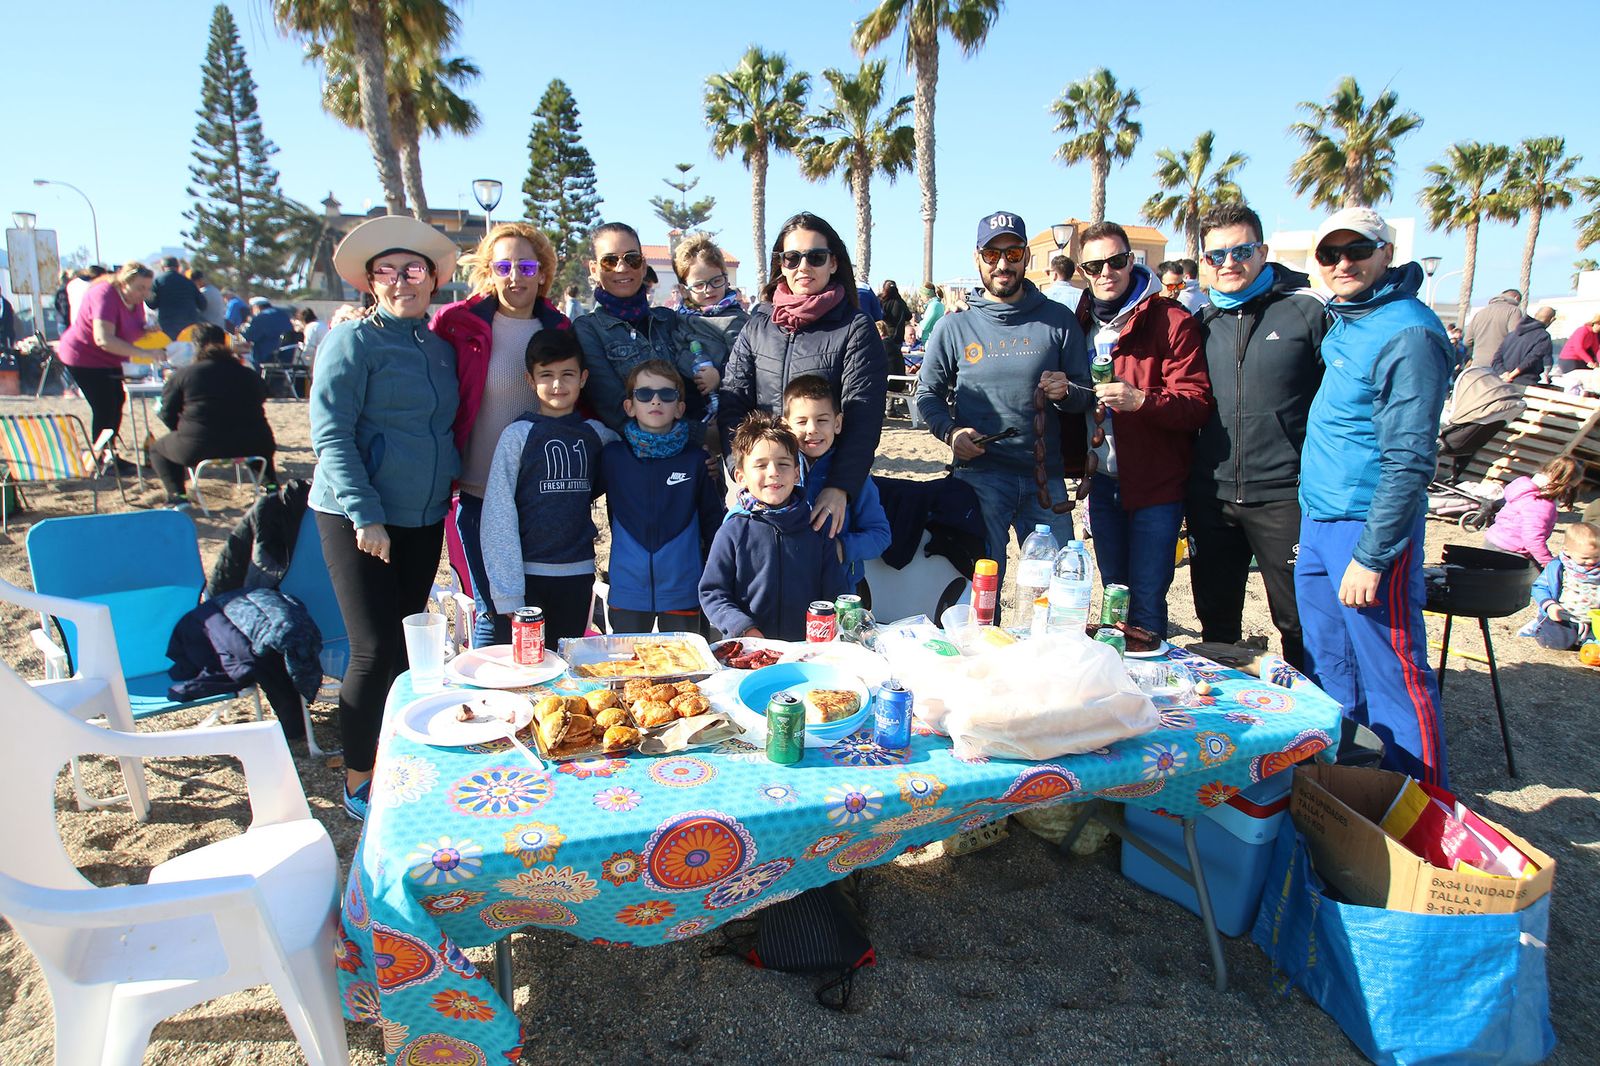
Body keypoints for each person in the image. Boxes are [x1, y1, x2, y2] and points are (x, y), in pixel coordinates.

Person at [309, 214, 461, 821]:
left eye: (414, 269)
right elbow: (331, 434)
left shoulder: (439, 347)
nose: (402, 281)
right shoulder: (351, 341)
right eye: (387, 272)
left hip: (422, 516)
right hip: (357, 517)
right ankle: (358, 781)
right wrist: (365, 515)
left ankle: (396, 758)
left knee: (405, 646)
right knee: (371, 650)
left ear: (432, 280)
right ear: (370, 282)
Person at [1297, 206, 1453, 788]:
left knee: (1392, 671)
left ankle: (1422, 806)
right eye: (1330, 254)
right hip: (1320, 520)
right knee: (1329, 661)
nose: (1343, 263)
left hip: (1366, 524)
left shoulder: (1408, 333)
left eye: (1357, 250)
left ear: (1386, 252)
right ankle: (1351, 794)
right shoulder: (1350, 318)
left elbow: (1409, 458)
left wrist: (1372, 554)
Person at [914, 209, 1092, 590]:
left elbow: (1084, 395)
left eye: (1012, 254)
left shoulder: (1059, 320)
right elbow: (926, 392)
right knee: (977, 591)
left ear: (1027, 257)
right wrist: (951, 432)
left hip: (1045, 479)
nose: (1002, 265)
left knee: (1053, 594)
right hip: (980, 478)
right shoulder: (954, 326)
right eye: (992, 255)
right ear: (977, 258)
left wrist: (1067, 392)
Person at [1188, 202, 1325, 670]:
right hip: (1212, 496)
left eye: (1241, 250)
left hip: (1285, 495)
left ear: (1263, 251)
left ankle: (1313, 731)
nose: (1229, 264)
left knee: (1298, 620)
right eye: (1216, 256)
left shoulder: (1305, 312)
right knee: (1216, 621)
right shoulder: (1201, 323)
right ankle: (1228, 728)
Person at [433, 220, 571, 647]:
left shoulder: (559, 330)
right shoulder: (455, 323)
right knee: (494, 607)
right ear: (489, 271)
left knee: (538, 606)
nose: (515, 277)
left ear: (543, 273)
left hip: (540, 496)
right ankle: (496, 704)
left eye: (527, 267)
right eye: (504, 266)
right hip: (476, 493)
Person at [1077, 221, 1214, 637]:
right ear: (1083, 270)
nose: (1106, 272)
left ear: (1131, 261)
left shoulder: (1171, 319)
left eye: (1116, 261)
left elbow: (1197, 404)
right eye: (1094, 265)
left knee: (1148, 603)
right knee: (1114, 598)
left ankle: (1152, 696)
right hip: (1102, 484)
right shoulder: (1079, 320)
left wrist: (1141, 400)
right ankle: (1121, 693)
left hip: (1156, 487)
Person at [718, 211, 887, 545]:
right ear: (780, 264)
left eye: (816, 257)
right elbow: (732, 403)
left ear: (833, 263)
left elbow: (863, 417)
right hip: (764, 481)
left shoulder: (855, 328)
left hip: (823, 487)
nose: (803, 267)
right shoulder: (758, 325)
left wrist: (841, 487)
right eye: (792, 258)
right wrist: (741, 474)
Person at [480, 329, 604, 644]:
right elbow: (497, 512)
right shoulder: (518, 436)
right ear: (530, 381)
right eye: (546, 375)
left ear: (583, 378)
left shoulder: (598, 435)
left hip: (577, 573)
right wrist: (508, 592)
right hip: (528, 576)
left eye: (567, 374)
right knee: (528, 667)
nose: (558, 384)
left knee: (566, 663)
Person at [699, 411, 848, 639]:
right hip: (749, 650)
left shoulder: (816, 528)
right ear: (741, 477)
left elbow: (836, 591)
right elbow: (713, 592)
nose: (774, 473)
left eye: (783, 464)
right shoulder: (733, 531)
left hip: (806, 650)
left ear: (797, 473)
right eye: (761, 465)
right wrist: (743, 628)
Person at [601, 359, 724, 633]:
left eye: (666, 395)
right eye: (644, 394)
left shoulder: (697, 461)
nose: (655, 401)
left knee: (685, 670)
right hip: (628, 589)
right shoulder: (612, 457)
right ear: (629, 406)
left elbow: (713, 521)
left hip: (683, 588)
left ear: (680, 408)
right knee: (626, 670)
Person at [575, 222, 710, 432]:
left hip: (692, 459)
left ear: (643, 264)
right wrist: (699, 437)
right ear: (594, 269)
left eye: (632, 258)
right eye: (609, 261)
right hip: (632, 459)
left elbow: (697, 390)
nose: (622, 268)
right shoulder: (587, 330)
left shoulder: (669, 320)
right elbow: (613, 408)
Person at [148, 324, 277, 508]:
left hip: (200, 446)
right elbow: (264, 395)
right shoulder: (248, 373)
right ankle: (270, 485)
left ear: (195, 345)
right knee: (253, 432)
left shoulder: (184, 375)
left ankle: (178, 496)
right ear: (225, 343)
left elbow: (167, 412)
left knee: (157, 449)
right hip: (254, 443)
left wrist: (181, 429)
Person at [784, 374, 890, 591]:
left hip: (840, 590)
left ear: (838, 423)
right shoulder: (778, 471)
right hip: (787, 588)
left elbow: (880, 535)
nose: (812, 429)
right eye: (802, 421)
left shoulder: (854, 477)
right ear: (786, 427)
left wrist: (844, 547)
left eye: (822, 420)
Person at [56, 261, 154, 475]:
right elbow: (103, 339)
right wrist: (145, 354)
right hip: (83, 356)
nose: (144, 293)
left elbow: (132, 328)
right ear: (124, 282)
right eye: (140, 288)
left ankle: (110, 455)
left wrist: (149, 332)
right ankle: (99, 459)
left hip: (110, 359)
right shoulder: (105, 294)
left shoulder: (134, 300)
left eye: (147, 288)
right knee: (104, 404)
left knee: (117, 399)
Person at [1483, 457, 1585, 566]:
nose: (1569, 492)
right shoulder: (1541, 504)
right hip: (1510, 550)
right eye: (1569, 488)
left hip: (1493, 540)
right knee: (1536, 579)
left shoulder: (1525, 489)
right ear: (1563, 485)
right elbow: (1533, 539)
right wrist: (1547, 562)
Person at [672, 233, 748, 371]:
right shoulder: (677, 318)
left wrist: (718, 378)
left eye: (716, 281)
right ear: (683, 290)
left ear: (725, 279)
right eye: (699, 285)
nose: (709, 289)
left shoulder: (734, 320)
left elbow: (743, 366)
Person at [1522, 523, 1600, 650]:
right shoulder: (1559, 567)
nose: (1591, 561)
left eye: (1596, 556)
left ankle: (1588, 642)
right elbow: (1539, 587)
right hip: (1564, 617)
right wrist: (1550, 606)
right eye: (1585, 558)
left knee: (1594, 642)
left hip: (1593, 620)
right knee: (1555, 640)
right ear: (1567, 550)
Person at [1491, 305, 1556, 384]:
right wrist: (1511, 375)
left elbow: (1496, 358)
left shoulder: (1512, 334)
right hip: (1525, 382)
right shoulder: (1544, 336)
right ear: (1552, 319)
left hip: (1501, 381)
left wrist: (1504, 373)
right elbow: (1532, 359)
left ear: (1535, 315)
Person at [146, 256, 207, 340]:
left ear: (162, 268)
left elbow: (152, 304)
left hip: (168, 327)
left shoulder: (157, 282)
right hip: (189, 327)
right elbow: (203, 305)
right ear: (178, 268)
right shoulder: (189, 282)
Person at [1463, 289, 1522, 369]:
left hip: (1478, 364)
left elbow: (1467, 341)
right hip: (1500, 365)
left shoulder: (1480, 313)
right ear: (1516, 298)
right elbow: (1515, 338)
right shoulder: (1514, 311)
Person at [242, 295, 295, 368]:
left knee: (244, 358)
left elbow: (250, 337)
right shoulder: (283, 314)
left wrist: (243, 330)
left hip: (268, 356)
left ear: (256, 307)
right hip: (287, 356)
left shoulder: (261, 317)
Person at [879, 281, 910, 365]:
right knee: (896, 362)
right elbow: (909, 316)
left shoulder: (880, 301)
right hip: (897, 337)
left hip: (883, 336)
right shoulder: (900, 302)